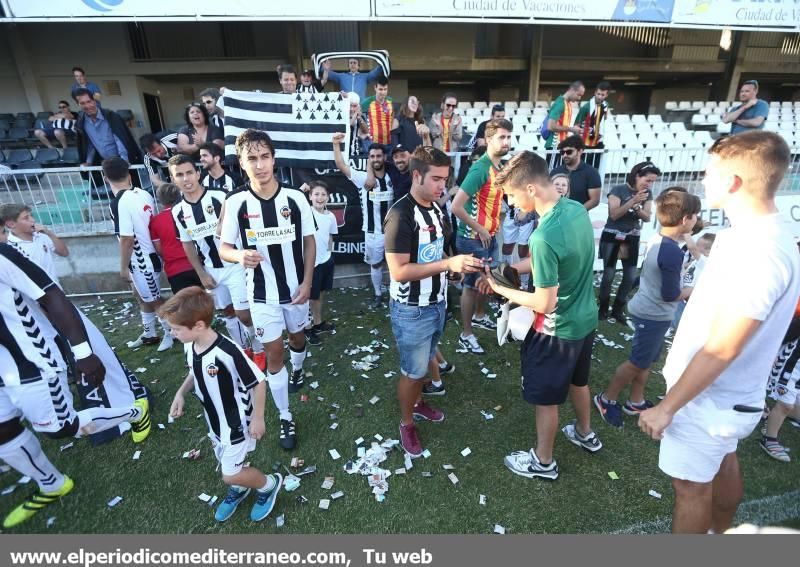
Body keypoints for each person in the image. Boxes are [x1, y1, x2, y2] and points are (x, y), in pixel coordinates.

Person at [638, 131, 800, 534]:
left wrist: (668, 406)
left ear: (732, 182)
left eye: (710, 172)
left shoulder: (759, 250)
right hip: (725, 397)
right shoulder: (752, 237)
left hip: (710, 399)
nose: (702, 181)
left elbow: (724, 346)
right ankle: (718, 535)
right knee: (723, 461)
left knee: (690, 487)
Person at [0, 244, 150, 528]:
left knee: (62, 428)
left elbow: (50, 293)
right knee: (3, 430)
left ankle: (134, 412)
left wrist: (83, 352)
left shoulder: (2, 255)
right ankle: (51, 484)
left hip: (31, 365)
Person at [478, 151, 602, 481]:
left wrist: (500, 289)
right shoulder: (575, 209)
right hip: (585, 319)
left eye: (513, 197)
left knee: (547, 399)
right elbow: (563, 259)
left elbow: (544, 302)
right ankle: (585, 432)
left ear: (531, 189)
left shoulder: (543, 236)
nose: (512, 205)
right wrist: (512, 268)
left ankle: (543, 463)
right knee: (579, 381)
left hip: (556, 329)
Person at [220, 129, 316, 451]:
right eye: (252, 158)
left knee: (297, 340)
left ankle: (299, 369)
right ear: (242, 163)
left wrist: (307, 282)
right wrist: (239, 255)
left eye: (264, 157)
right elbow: (224, 248)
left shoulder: (296, 198)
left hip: (295, 292)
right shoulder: (235, 203)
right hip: (261, 294)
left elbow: (309, 241)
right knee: (274, 354)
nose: (260, 165)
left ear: (273, 159)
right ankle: (285, 415)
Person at [383, 145, 482, 457]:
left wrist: (451, 270)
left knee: (426, 360)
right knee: (412, 371)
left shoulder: (438, 210)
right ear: (416, 175)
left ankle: (418, 401)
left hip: (437, 302)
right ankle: (406, 422)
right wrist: (447, 265)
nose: (443, 186)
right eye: (437, 179)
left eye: (446, 179)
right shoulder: (400, 214)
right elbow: (398, 271)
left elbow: (434, 252)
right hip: (411, 310)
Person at [165, 287, 283, 523]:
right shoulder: (191, 345)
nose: (172, 333)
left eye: (176, 329)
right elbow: (194, 372)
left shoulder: (227, 352)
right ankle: (241, 486)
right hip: (214, 421)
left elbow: (258, 382)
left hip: (236, 423)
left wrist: (258, 418)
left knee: (229, 474)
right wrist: (180, 393)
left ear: (198, 325)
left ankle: (268, 484)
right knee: (226, 461)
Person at [594, 188, 701, 428]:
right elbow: (671, 294)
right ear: (685, 219)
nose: (696, 220)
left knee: (646, 360)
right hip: (652, 314)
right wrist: (698, 288)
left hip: (652, 311)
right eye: (695, 215)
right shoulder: (671, 251)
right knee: (637, 361)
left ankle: (636, 400)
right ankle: (606, 398)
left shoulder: (662, 241)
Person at [168, 154, 265, 369]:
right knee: (228, 312)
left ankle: (259, 349)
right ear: (173, 179)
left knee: (244, 314)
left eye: (189, 173)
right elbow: (187, 245)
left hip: (235, 265)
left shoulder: (221, 197)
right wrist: (201, 273)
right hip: (211, 270)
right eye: (179, 175)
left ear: (198, 173)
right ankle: (243, 349)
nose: (186, 179)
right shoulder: (177, 212)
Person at [451, 119, 514, 355]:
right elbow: (456, 206)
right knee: (470, 286)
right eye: (501, 137)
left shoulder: (499, 168)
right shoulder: (480, 168)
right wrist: (480, 228)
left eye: (508, 137)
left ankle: (479, 316)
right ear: (488, 140)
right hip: (472, 238)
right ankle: (465, 335)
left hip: (488, 237)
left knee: (485, 283)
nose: (506, 141)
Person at [102, 157, 173, 351]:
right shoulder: (143, 193)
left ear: (105, 178)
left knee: (154, 300)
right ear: (129, 174)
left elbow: (126, 239)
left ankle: (171, 333)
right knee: (141, 296)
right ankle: (149, 333)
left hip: (142, 261)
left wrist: (123, 267)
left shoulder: (119, 203)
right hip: (149, 256)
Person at [332, 133, 393, 309]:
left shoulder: (392, 177)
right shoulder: (363, 178)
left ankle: (397, 295)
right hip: (373, 232)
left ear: (384, 157)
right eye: (372, 156)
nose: (375, 159)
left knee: (398, 263)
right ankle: (378, 294)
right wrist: (336, 145)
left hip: (394, 231)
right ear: (369, 159)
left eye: (378, 156)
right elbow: (341, 165)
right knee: (375, 264)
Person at [597, 161, 660, 322]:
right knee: (608, 276)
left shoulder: (647, 194)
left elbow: (647, 217)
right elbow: (614, 215)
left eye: (653, 181)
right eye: (647, 180)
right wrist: (633, 201)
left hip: (632, 236)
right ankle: (602, 308)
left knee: (630, 276)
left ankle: (618, 309)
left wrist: (638, 207)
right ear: (637, 176)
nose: (650, 184)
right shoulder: (618, 190)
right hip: (613, 235)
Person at [148, 183, 203, 294]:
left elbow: (159, 250)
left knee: (183, 306)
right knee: (205, 303)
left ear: (160, 200)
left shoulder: (155, 221)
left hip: (175, 270)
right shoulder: (189, 212)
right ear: (179, 195)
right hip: (199, 265)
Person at [0, 204, 69, 284]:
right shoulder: (9, 246)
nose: (33, 220)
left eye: (31, 216)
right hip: (33, 295)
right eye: (26, 218)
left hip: (55, 290)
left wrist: (50, 233)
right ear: (11, 224)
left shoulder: (41, 236)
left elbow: (64, 253)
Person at [74, 89, 141, 167]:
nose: (87, 106)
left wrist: (124, 160)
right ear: (78, 104)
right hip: (104, 163)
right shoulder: (81, 122)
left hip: (123, 161)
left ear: (94, 101)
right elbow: (89, 144)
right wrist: (89, 162)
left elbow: (120, 140)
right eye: (82, 103)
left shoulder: (111, 116)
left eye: (89, 101)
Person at [308, 181, 338, 341]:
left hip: (325, 261)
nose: (320, 198)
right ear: (310, 196)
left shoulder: (331, 216)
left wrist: (329, 255)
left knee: (319, 294)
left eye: (323, 194)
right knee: (306, 298)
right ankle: (306, 328)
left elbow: (330, 236)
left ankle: (318, 322)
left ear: (328, 198)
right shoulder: (306, 213)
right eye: (316, 194)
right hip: (310, 264)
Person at [550, 135, 601, 210]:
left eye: (569, 152)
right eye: (562, 152)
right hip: (556, 216)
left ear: (580, 151)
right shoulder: (555, 172)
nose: (565, 155)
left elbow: (594, 200)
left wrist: (576, 213)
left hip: (578, 217)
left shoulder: (591, 173)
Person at [574, 81, 611, 168]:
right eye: (598, 94)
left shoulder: (606, 105)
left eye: (602, 95)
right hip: (585, 143)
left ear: (607, 95)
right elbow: (576, 125)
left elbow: (603, 119)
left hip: (598, 142)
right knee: (583, 168)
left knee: (595, 169)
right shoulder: (586, 107)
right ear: (594, 93)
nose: (599, 96)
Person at [544, 81, 585, 151]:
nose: (579, 98)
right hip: (554, 145)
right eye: (578, 95)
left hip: (561, 145)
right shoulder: (560, 103)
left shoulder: (568, 104)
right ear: (572, 90)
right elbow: (550, 126)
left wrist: (573, 130)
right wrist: (571, 129)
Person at [361, 76, 394, 148]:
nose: (383, 92)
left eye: (385, 89)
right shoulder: (366, 102)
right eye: (380, 89)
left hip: (388, 143)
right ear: (375, 88)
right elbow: (359, 118)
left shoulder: (390, 101)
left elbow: (393, 117)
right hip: (372, 144)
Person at [346, 92, 370, 157]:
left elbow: (366, 131)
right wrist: (355, 114)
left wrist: (359, 117)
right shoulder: (341, 115)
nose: (351, 109)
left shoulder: (359, 116)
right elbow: (347, 127)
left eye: (354, 106)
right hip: (342, 152)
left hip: (354, 152)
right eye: (350, 105)